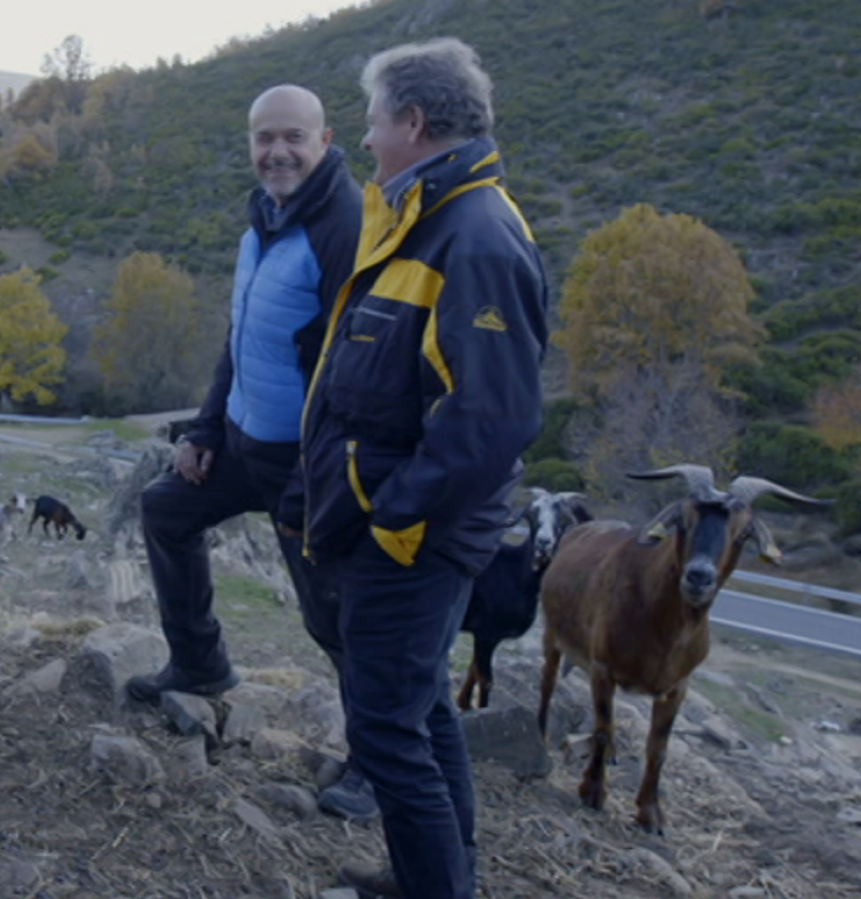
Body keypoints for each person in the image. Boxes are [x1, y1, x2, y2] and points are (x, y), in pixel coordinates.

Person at [286, 38, 549, 899]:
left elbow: (490, 420)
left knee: (386, 730)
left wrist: (392, 516)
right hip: (404, 526)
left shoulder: (471, 235)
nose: (364, 140)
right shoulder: (426, 215)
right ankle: (435, 878)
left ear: (414, 120)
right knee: (423, 708)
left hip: (414, 538)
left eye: (370, 121)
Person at [124, 85, 375, 819]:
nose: (277, 152)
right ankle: (201, 663)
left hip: (307, 462)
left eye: (293, 137)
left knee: (331, 616)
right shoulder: (263, 218)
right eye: (264, 138)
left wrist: (313, 479)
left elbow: (348, 374)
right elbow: (243, 341)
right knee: (165, 510)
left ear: (326, 139)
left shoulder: (343, 225)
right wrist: (203, 430)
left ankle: (377, 762)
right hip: (242, 443)